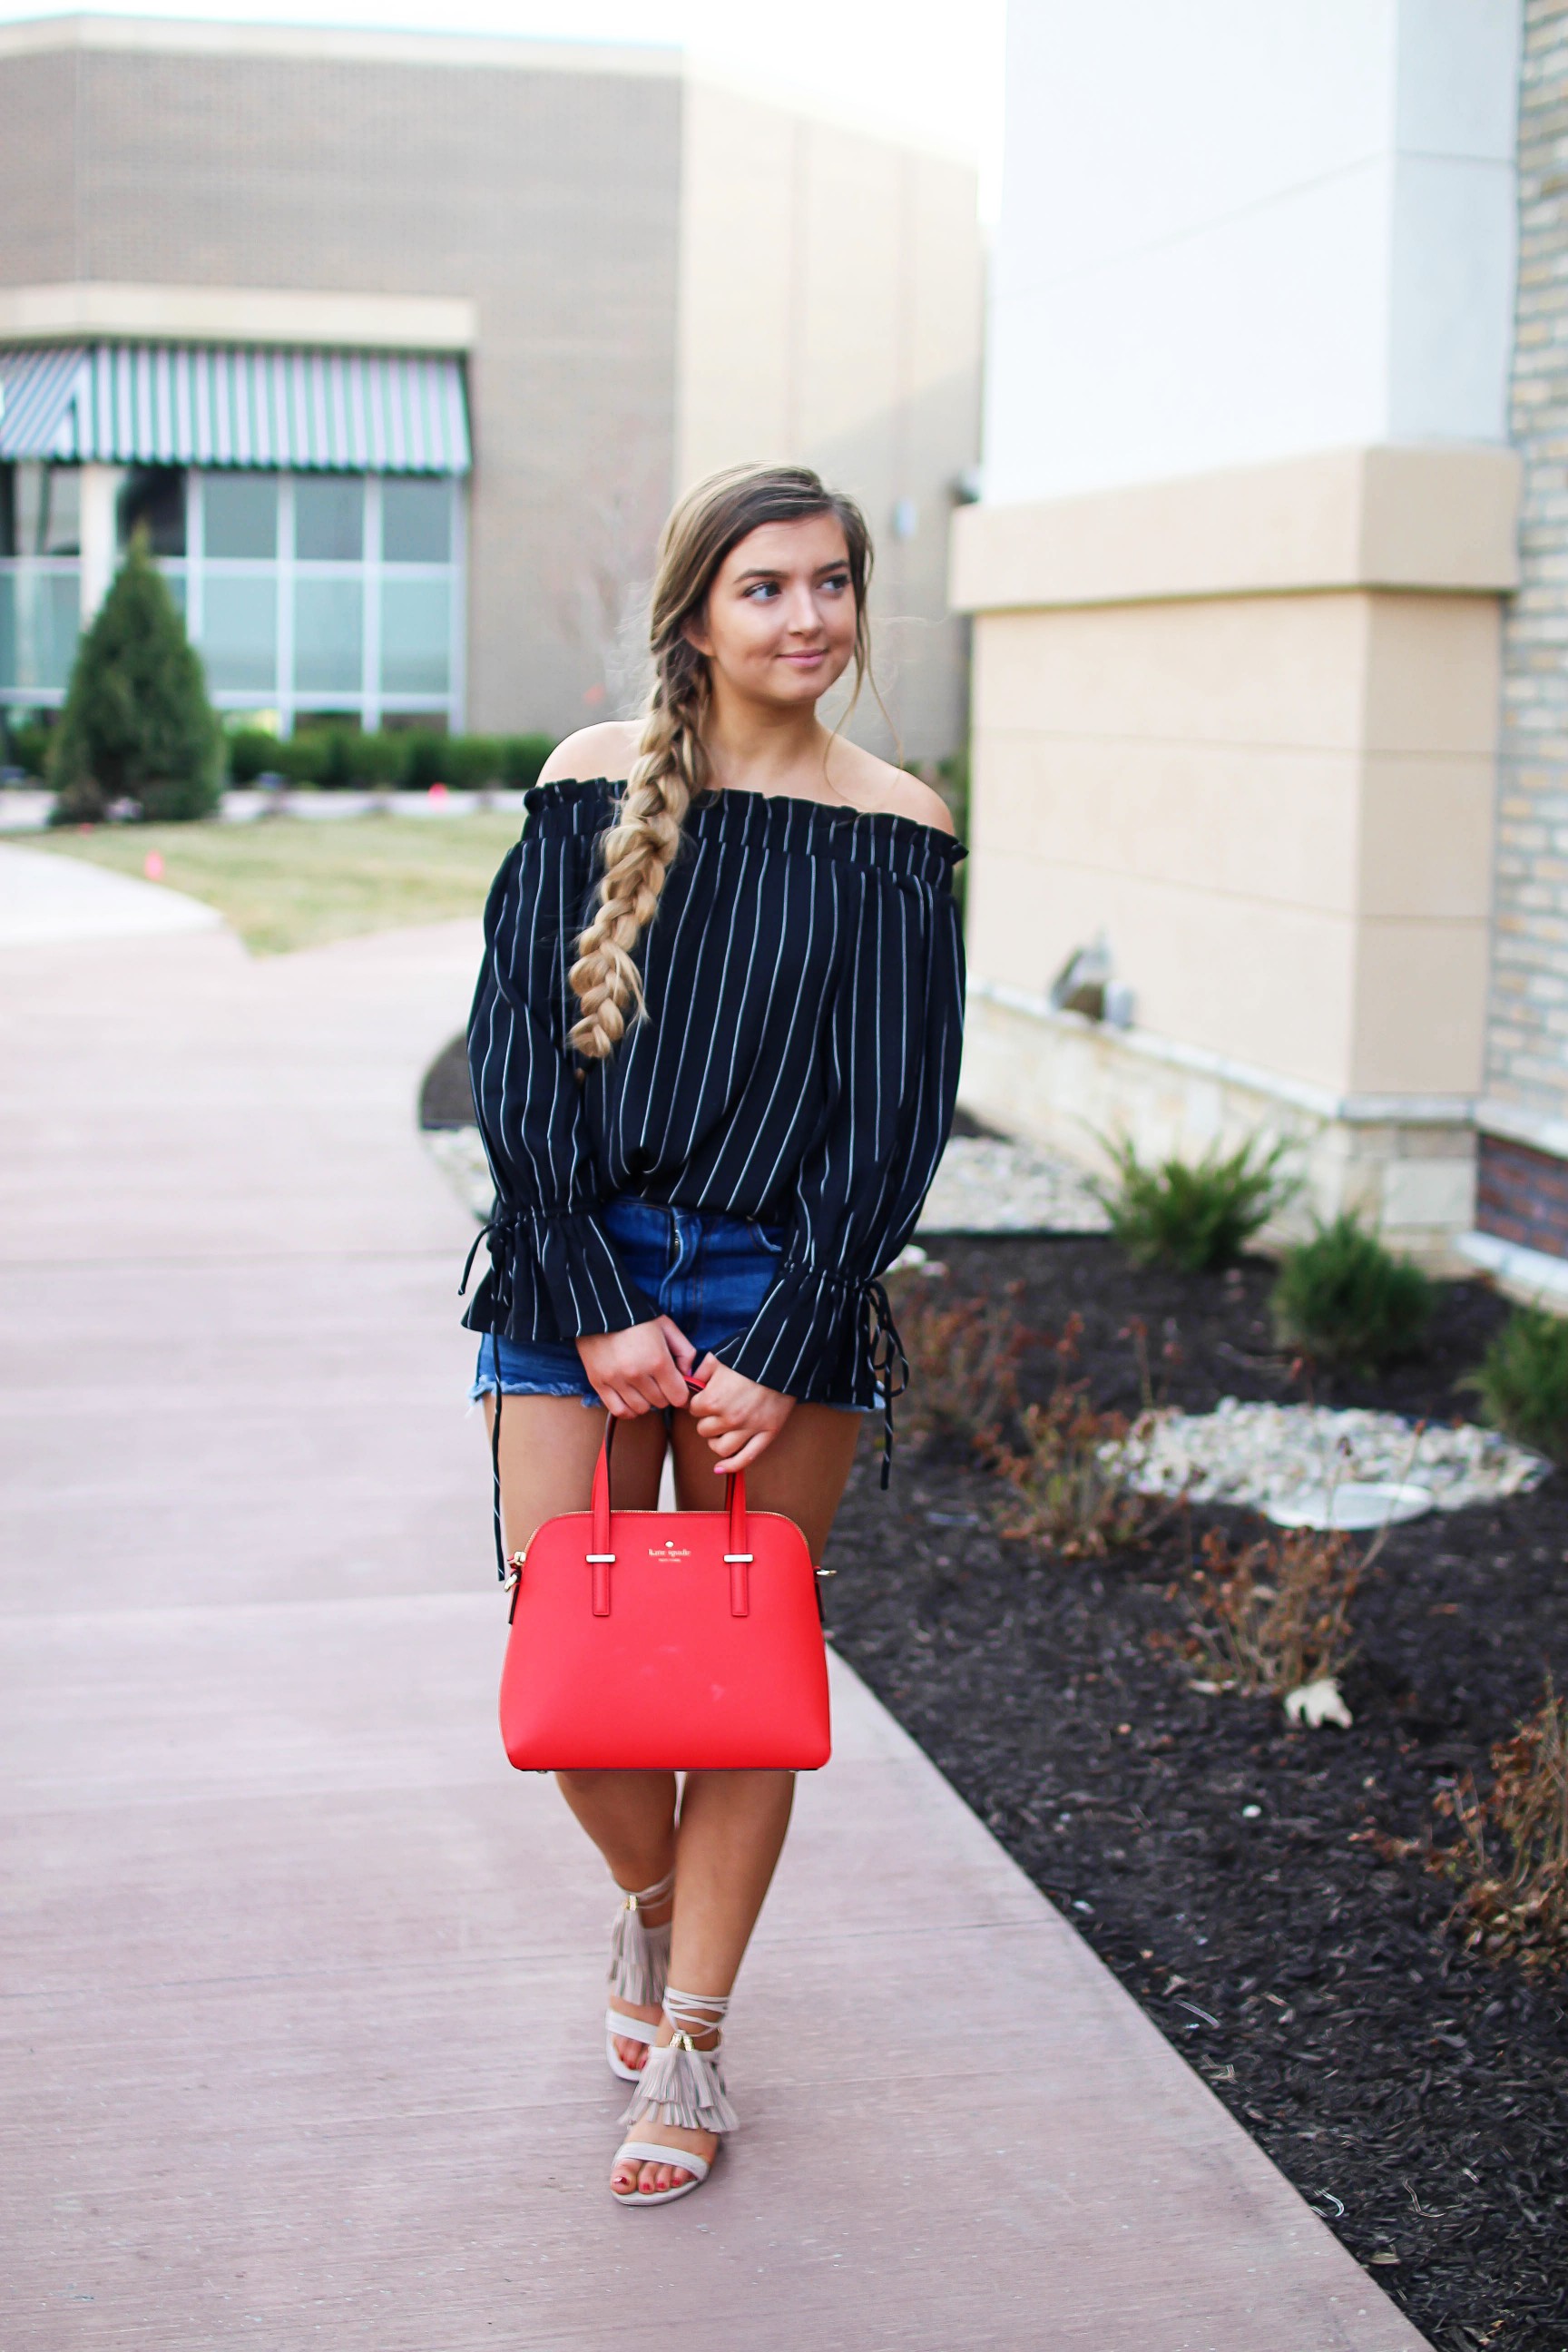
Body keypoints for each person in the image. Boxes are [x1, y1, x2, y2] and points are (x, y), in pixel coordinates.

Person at [462, 462, 965, 2206]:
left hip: (784, 1293)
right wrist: (595, 1301)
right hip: (573, 1271)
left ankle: (692, 2036)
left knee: (745, 1693)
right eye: (769, 588)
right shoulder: (590, 783)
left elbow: (893, 1120)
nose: (811, 617)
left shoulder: (898, 824)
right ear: (697, 611)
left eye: (834, 584)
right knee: (580, 1692)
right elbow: (516, 1064)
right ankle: (659, 1902)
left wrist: (798, 1331)